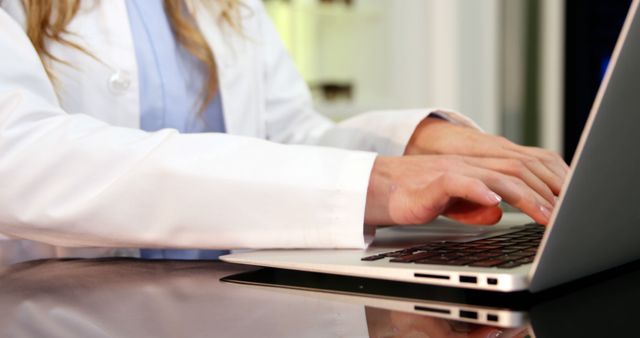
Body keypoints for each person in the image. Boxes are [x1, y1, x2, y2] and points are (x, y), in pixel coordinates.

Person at [0, 0, 568, 262]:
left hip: (230, 306)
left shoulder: (226, 7)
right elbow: (20, 159)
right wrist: (380, 182)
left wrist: (412, 142)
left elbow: (284, 136)